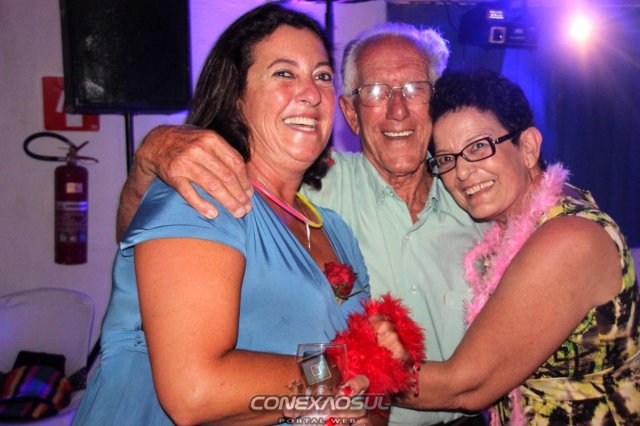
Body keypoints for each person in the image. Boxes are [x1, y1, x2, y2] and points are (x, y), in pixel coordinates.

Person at [116, 22, 488, 426]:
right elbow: (194, 391)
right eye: (284, 73)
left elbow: (367, 400)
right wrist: (151, 153)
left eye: (322, 76)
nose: (310, 92)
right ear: (351, 113)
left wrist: (368, 388)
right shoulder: (206, 194)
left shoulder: (337, 230)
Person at [393, 68, 640, 424]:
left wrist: (348, 373)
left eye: (479, 147)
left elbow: (465, 387)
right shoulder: (520, 228)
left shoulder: (569, 238)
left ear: (528, 147)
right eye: (446, 159)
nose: (461, 172)